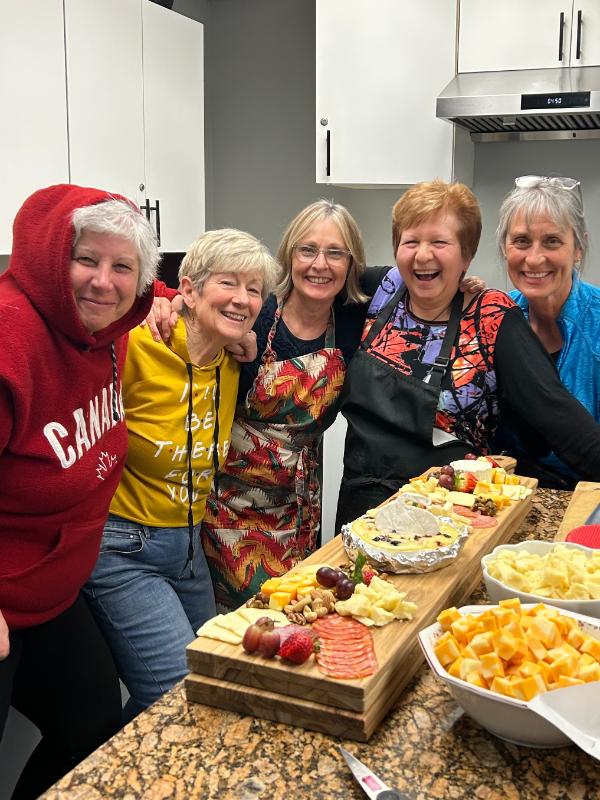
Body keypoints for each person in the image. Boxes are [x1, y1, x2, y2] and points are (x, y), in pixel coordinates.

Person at [0, 183, 160, 800]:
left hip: (51, 594)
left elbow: (148, 293)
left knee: (91, 732)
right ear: (49, 259)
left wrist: (171, 299)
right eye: (85, 259)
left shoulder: (106, 326)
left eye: (122, 267)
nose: (103, 282)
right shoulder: (11, 337)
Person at [84, 229, 280, 721]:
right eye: (228, 283)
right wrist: (154, 301)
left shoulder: (232, 360)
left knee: (215, 677)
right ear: (189, 291)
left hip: (190, 546)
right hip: (123, 547)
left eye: (254, 289)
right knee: (175, 691)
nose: (242, 299)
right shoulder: (132, 346)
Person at [335, 179, 600, 529]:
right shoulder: (377, 291)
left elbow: (558, 415)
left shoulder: (491, 316)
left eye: (439, 242)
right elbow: (305, 297)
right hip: (360, 508)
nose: (423, 255)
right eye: (411, 241)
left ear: (466, 255)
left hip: (448, 516)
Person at [201, 200, 380, 609]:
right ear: (289, 255)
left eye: (335, 253)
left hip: (299, 511)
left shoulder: (354, 316)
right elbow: (192, 307)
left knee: (299, 612)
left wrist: (468, 284)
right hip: (230, 511)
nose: (320, 264)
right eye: (308, 250)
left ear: (352, 263)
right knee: (244, 624)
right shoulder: (256, 312)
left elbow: (414, 273)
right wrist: (165, 300)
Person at [494, 175, 600, 489]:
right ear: (505, 247)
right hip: (504, 493)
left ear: (578, 247)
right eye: (521, 241)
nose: (534, 258)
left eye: (552, 241)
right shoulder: (493, 318)